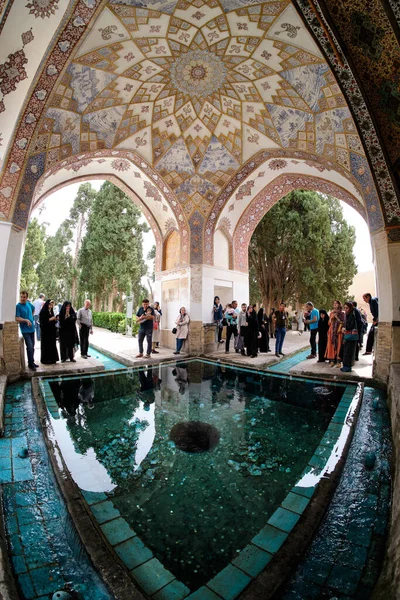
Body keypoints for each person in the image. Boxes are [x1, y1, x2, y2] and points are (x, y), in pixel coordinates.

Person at [15, 291, 38, 371]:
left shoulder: (28, 304)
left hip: (32, 329)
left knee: (32, 347)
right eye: (21, 297)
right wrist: (25, 320)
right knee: (30, 346)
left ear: (27, 297)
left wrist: (31, 317)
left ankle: (31, 362)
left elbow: (33, 309)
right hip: (25, 330)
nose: (22, 298)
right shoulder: (18, 306)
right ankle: (31, 364)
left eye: (24, 297)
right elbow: (17, 318)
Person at [39, 299, 59, 364]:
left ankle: (52, 359)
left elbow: (53, 321)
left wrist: (55, 319)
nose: (50, 306)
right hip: (45, 333)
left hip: (51, 332)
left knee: (52, 345)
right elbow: (43, 322)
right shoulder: (43, 312)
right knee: (46, 346)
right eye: (49, 305)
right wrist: (50, 319)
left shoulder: (51, 311)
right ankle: (46, 360)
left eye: (51, 305)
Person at [326, 300, 345, 368]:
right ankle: (332, 360)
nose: (335, 304)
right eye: (334, 303)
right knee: (332, 346)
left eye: (336, 303)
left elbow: (343, 322)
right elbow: (329, 323)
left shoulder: (342, 313)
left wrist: (336, 317)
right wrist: (331, 318)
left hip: (338, 331)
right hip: (332, 331)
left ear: (339, 305)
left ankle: (339, 361)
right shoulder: (331, 313)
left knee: (339, 346)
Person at [341, 301, 359, 372]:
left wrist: (345, 328)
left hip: (351, 337)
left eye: (347, 308)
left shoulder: (352, 315)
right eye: (344, 308)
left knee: (349, 352)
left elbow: (351, 325)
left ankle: (348, 367)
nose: (345, 309)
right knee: (346, 351)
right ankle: (345, 366)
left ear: (350, 308)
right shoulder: (347, 315)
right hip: (348, 336)